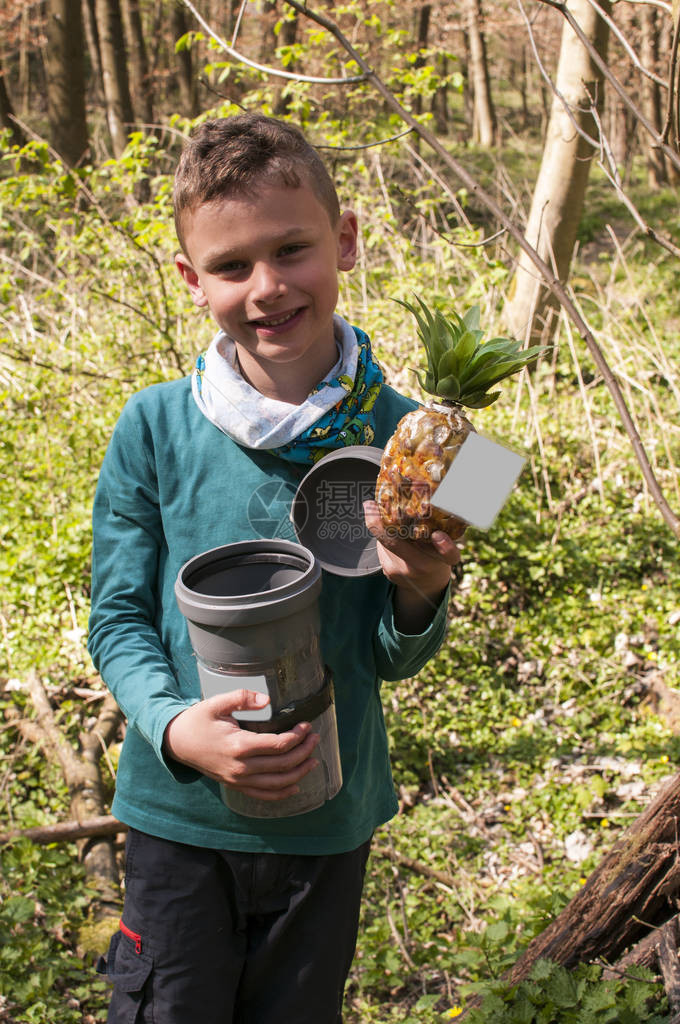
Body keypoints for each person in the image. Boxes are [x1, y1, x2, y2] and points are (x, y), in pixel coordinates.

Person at [88, 113, 461, 1024]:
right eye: (230, 266)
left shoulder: (434, 439)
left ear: (345, 239)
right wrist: (179, 732)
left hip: (329, 821)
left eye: (292, 249)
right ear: (191, 280)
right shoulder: (153, 426)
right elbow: (116, 617)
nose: (267, 287)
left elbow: (398, 654)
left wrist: (421, 587)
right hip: (179, 820)